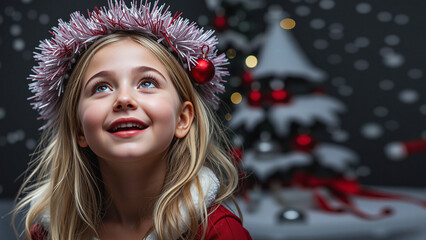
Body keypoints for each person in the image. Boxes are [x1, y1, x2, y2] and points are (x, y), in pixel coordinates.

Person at [13, 1, 252, 239]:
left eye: (147, 83)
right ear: (79, 129)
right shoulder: (50, 233)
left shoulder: (220, 232)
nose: (124, 99)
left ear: (182, 119)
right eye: (101, 87)